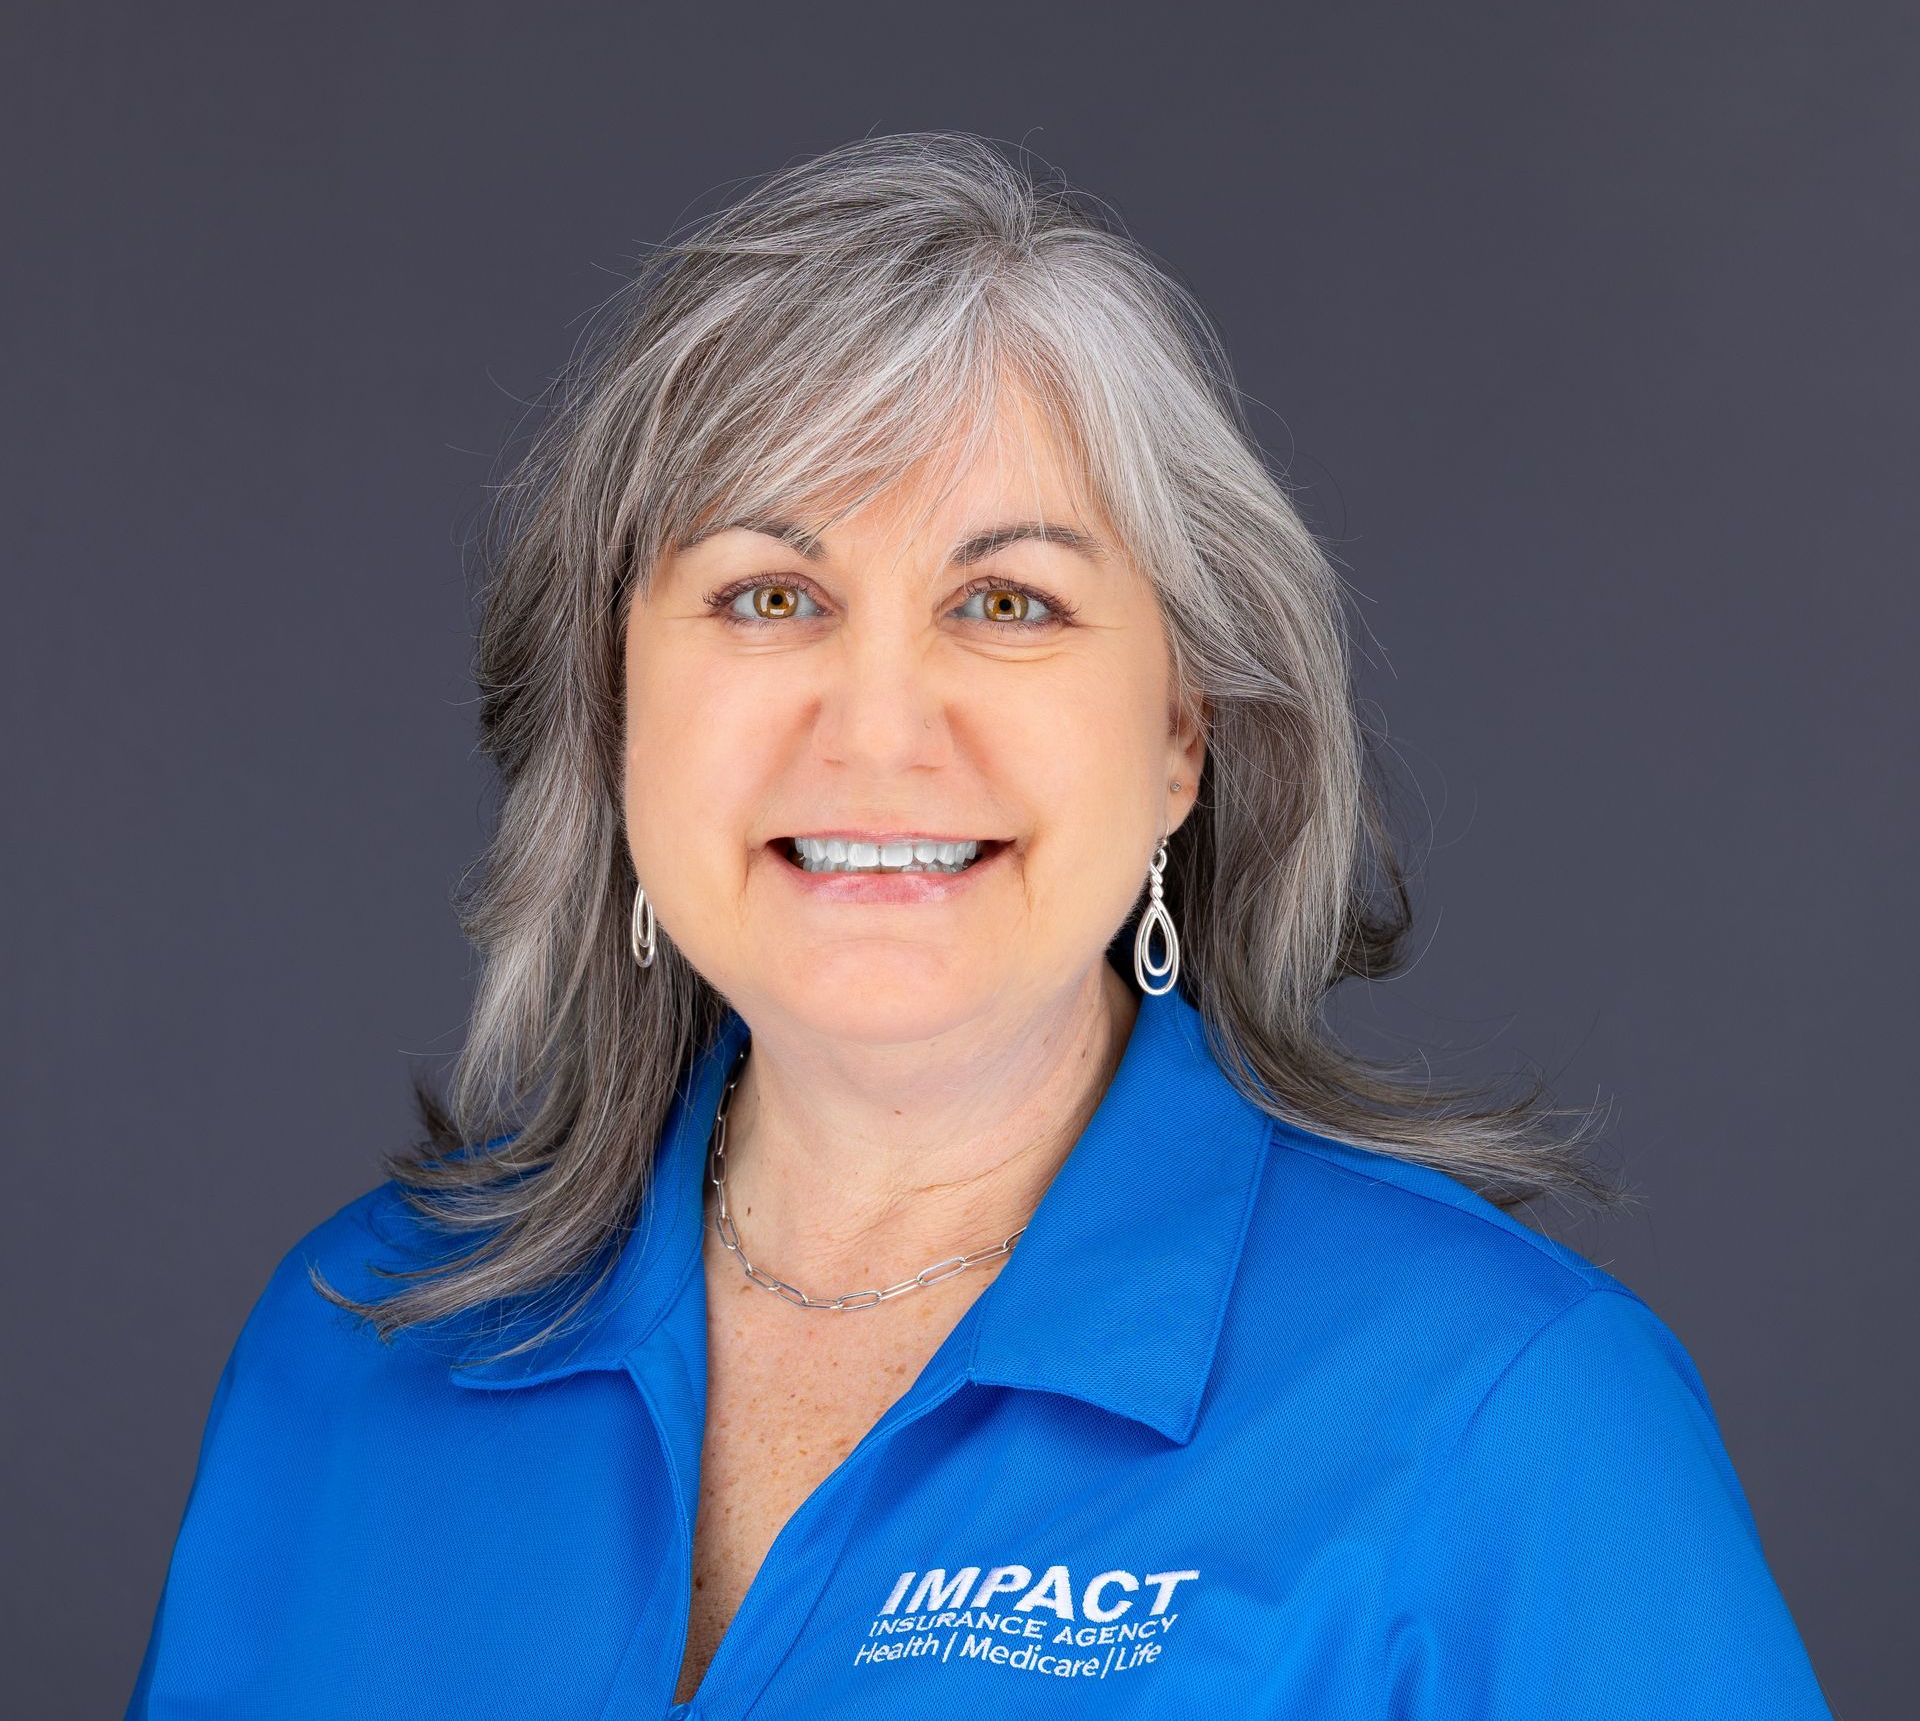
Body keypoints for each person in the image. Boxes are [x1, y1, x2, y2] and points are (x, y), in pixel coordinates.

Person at [124, 133, 1836, 1719]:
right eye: (769, 595)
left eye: (1005, 600)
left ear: (1185, 733)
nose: (876, 730)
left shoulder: (1512, 1423)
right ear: (616, 707)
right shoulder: (356, 1344)